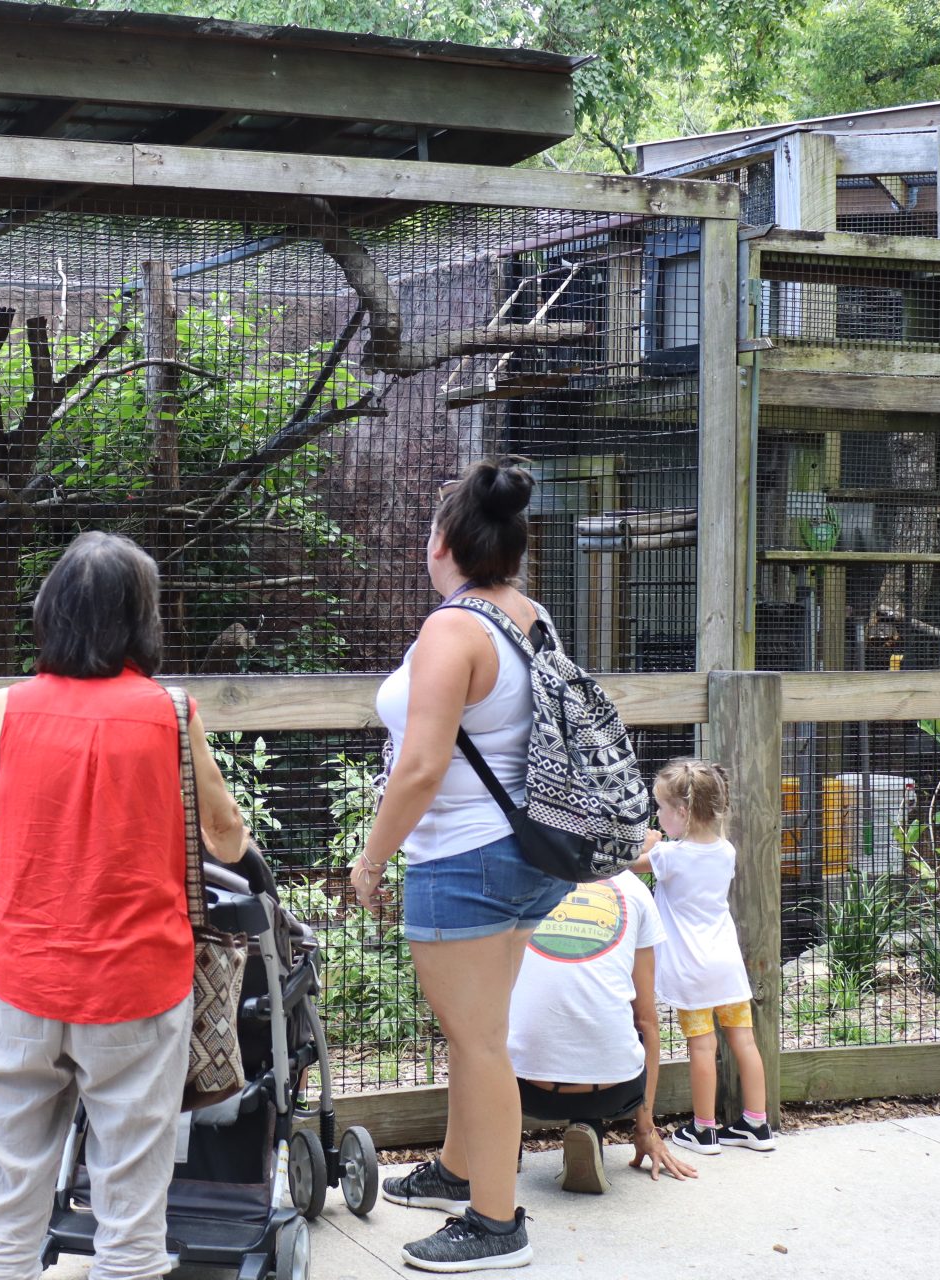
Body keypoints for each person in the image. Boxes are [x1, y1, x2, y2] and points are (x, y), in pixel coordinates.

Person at [0, 531, 249, 1280]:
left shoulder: (3, 709)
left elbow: (13, 822)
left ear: (49, 611)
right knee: (130, 1203)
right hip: (134, 982)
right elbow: (224, 840)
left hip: (16, 975)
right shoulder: (171, 712)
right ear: (140, 619)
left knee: (8, 1196)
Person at [353, 458, 569, 1274]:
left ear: (441, 542)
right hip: (527, 849)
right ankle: (458, 1168)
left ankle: (495, 1221)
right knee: (477, 1030)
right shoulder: (528, 614)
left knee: (477, 1041)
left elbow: (419, 767)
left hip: (465, 855)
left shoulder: (452, 627)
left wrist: (374, 857)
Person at [508, 872, 698, 1194]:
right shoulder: (635, 891)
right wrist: (646, 1129)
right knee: (629, 1027)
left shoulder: (520, 878)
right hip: (611, 1090)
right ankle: (588, 1126)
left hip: (523, 1091)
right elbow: (647, 1021)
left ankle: (503, 1138)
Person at [633, 759, 776, 1157]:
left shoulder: (670, 857)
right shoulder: (725, 850)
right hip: (727, 966)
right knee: (744, 1041)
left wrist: (648, 840)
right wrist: (661, 842)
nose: (657, 816)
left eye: (661, 808)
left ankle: (704, 1129)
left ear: (681, 812)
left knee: (701, 1046)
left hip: (692, 969)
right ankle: (756, 1123)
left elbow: (630, 861)